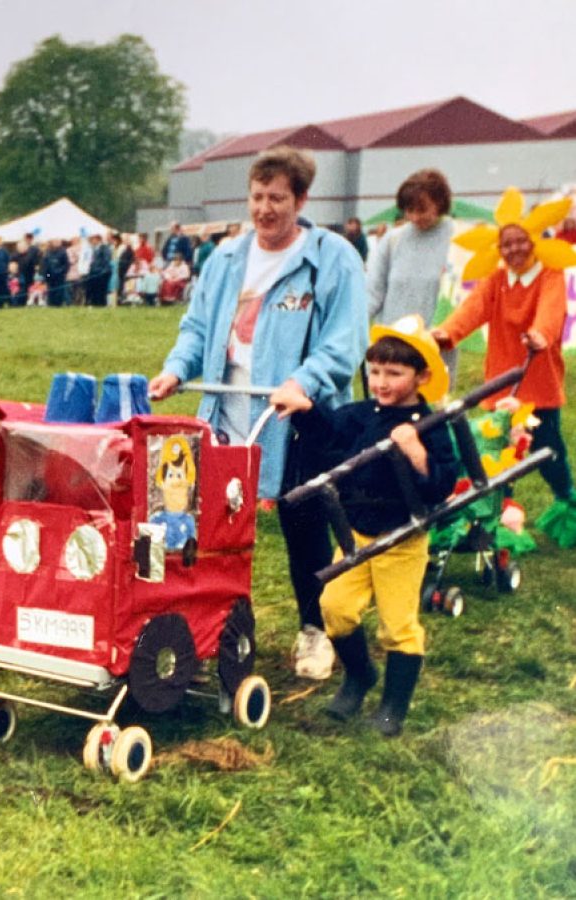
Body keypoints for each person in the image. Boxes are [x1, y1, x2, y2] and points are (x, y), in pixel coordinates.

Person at [149, 145, 368, 681]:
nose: (265, 209)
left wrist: (305, 381)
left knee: (303, 525)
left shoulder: (332, 257)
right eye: (257, 197)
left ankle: (315, 630)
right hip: (227, 408)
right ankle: (207, 628)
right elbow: (198, 328)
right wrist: (177, 368)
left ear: (300, 199)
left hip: (295, 415)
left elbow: (346, 338)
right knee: (208, 526)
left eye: (277, 198)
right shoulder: (225, 258)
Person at [295, 316, 456, 736]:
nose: (382, 382)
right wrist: (305, 410)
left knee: (397, 623)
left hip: (401, 537)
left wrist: (416, 450)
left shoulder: (429, 424)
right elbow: (328, 432)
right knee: (335, 607)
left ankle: (392, 709)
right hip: (355, 533)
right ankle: (359, 675)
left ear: (421, 376)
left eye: (395, 373)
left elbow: (441, 483)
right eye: (376, 371)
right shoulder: (361, 415)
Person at [432, 186, 576, 547]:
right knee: (496, 457)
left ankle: (568, 503)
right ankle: (496, 520)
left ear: (534, 240)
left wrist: (541, 335)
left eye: (520, 241)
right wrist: (445, 333)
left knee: (549, 453)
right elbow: (471, 310)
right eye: (506, 244)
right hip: (501, 385)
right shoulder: (496, 281)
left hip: (538, 384)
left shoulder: (550, 276)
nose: (514, 250)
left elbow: (551, 310)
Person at [367, 169, 456, 380]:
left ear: (440, 202)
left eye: (422, 209)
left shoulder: (457, 238)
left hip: (435, 346)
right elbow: (372, 293)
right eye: (409, 210)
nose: (415, 217)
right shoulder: (392, 240)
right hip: (392, 346)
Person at [42, 239, 70, 307]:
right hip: (49, 275)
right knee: (50, 290)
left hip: (59, 276)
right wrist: (47, 276)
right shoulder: (47, 252)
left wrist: (60, 272)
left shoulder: (63, 252)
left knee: (59, 291)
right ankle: (51, 304)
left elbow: (66, 265)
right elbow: (45, 266)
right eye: (55, 241)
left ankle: (58, 304)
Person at [86, 234, 112, 307]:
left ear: (97, 239)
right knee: (94, 291)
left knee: (101, 291)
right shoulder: (94, 249)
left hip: (102, 274)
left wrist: (102, 271)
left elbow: (106, 261)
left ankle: (101, 305)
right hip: (94, 273)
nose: (91, 241)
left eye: (92, 239)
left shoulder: (104, 248)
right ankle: (95, 304)